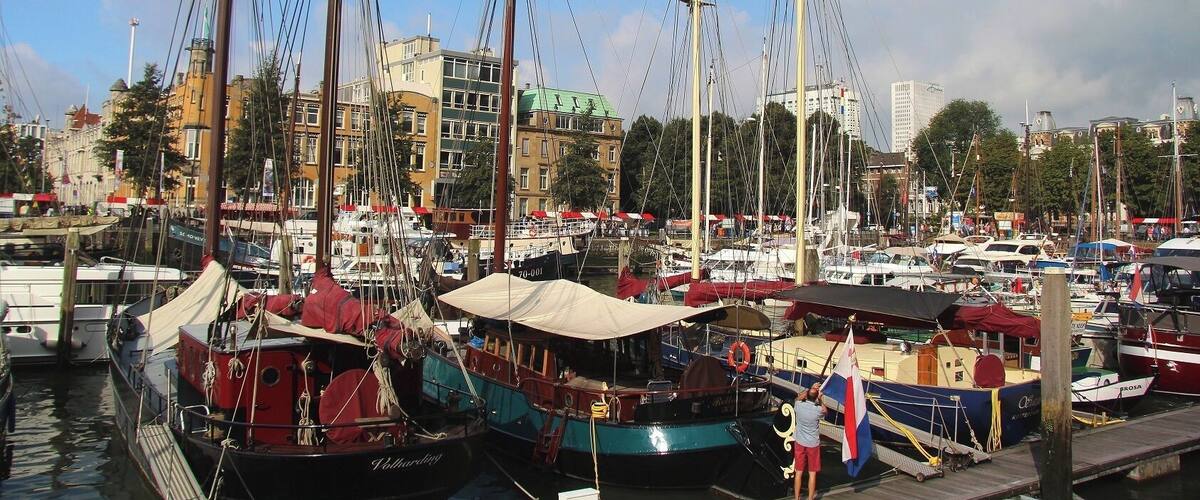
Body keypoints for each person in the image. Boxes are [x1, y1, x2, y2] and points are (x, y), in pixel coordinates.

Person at [793, 382, 825, 500]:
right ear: (816, 398)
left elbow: (797, 398)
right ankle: (810, 499)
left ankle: (797, 498)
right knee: (812, 473)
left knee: (799, 472)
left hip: (800, 442)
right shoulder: (818, 410)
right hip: (813, 444)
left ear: (807, 396)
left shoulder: (798, 406)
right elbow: (825, 411)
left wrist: (810, 389)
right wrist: (820, 399)